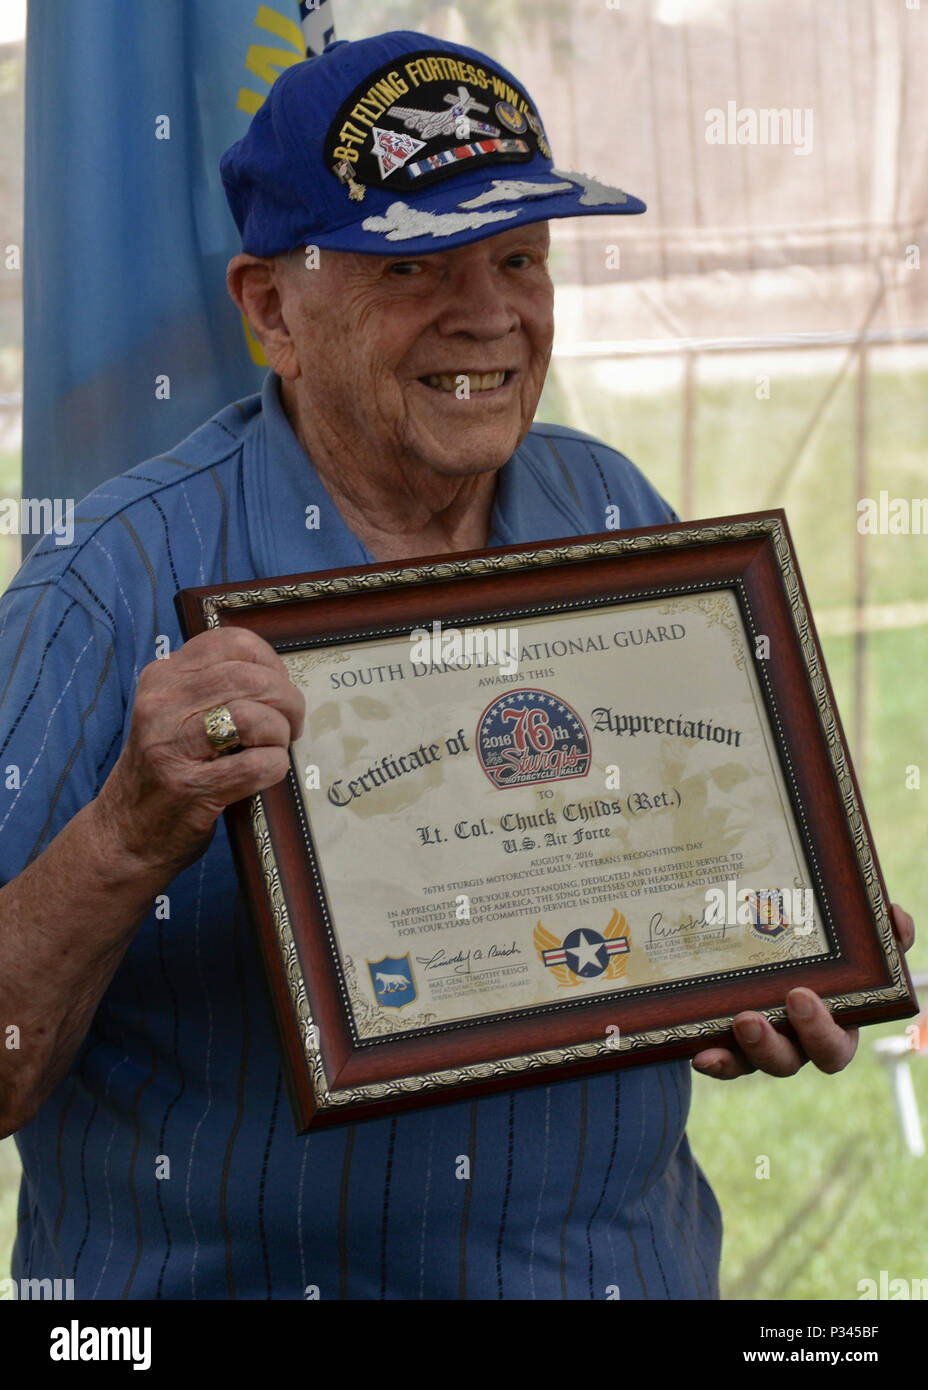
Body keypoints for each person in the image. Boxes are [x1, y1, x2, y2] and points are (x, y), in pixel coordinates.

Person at [0, 29, 913, 1301]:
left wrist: (763, 948)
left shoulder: (615, 513)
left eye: (522, 258)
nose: (489, 312)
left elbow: (692, 874)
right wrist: (126, 833)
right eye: (417, 263)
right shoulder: (106, 584)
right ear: (272, 309)